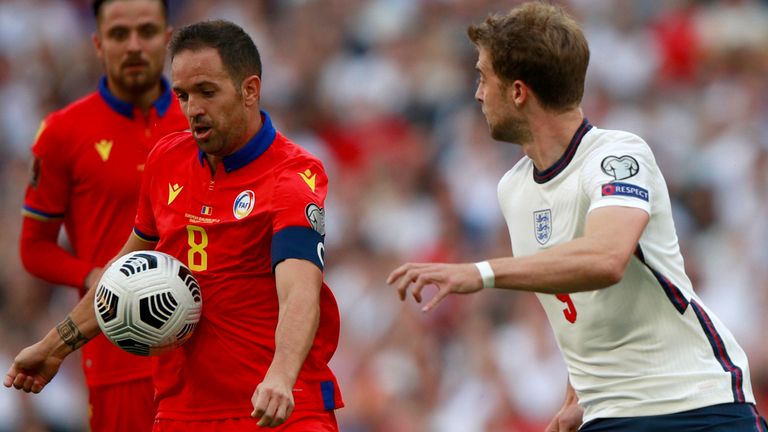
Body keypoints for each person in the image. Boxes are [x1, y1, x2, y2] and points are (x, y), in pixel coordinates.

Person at [387, 3, 767, 432]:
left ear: (517, 91)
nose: (476, 93)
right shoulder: (513, 189)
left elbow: (605, 259)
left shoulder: (616, 156)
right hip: (608, 413)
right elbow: (579, 306)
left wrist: (482, 273)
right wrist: (576, 395)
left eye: (482, 77)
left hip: (694, 405)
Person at [5, 19, 344, 431]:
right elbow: (124, 275)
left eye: (207, 92)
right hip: (183, 411)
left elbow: (299, 292)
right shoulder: (167, 159)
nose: (192, 109)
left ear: (249, 90)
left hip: (280, 409)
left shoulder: (291, 177)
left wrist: (281, 375)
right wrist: (54, 347)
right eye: (182, 95)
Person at [17, 0, 187, 430]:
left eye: (147, 32)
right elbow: (34, 249)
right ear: (97, 43)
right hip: (118, 353)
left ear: (167, 39)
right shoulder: (62, 132)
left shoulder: (200, 120)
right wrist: (91, 275)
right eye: (118, 34)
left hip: (206, 351)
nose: (134, 45)